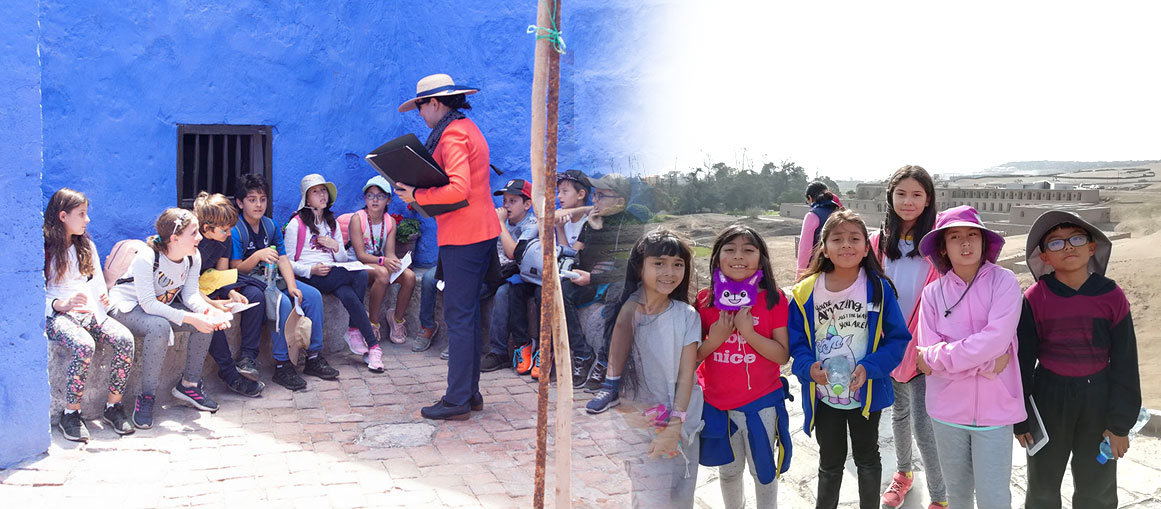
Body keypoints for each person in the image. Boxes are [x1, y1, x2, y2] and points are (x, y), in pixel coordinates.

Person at [1015, 210, 1140, 509]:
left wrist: (1120, 425)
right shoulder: (1035, 297)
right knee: (1042, 486)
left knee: (1097, 487)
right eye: (1056, 243)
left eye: (1076, 238)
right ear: (1044, 257)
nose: (1068, 247)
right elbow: (1022, 361)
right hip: (1048, 399)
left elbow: (1125, 361)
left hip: (1098, 397)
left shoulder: (1112, 296)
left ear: (1092, 247)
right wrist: (1021, 418)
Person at [395, 73, 501, 420]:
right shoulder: (467, 128)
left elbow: (457, 189)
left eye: (421, 107)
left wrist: (416, 195)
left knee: (458, 317)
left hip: (464, 236)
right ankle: (469, 394)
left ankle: (457, 399)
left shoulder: (452, 135)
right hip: (480, 232)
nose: (421, 114)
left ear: (435, 103)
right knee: (466, 316)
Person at [787, 209, 908, 509]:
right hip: (824, 397)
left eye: (855, 238)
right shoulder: (805, 293)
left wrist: (870, 368)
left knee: (867, 457)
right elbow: (797, 343)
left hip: (865, 395)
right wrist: (806, 368)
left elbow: (897, 340)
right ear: (824, 247)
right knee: (830, 461)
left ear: (867, 247)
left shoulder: (879, 289)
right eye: (837, 239)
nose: (846, 245)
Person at [915, 205, 1025, 509]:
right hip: (946, 412)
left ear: (983, 241)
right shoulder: (933, 294)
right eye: (955, 237)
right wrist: (989, 364)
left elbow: (996, 339)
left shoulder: (1003, 283)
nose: (965, 243)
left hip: (995, 411)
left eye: (972, 234)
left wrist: (943, 359)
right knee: (958, 495)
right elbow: (926, 356)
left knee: (994, 498)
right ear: (943, 247)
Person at [594, 229, 702, 507]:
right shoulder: (626, 314)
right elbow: (616, 383)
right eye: (659, 263)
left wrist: (675, 425)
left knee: (681, 495)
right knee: (649, 498)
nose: (670, 272)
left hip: (682, 422)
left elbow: (686, 374)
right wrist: (645, 422)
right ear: (639, 267)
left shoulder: (686, 315)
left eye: (678, 264)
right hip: (641, 427)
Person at [695, 225, 792, 509]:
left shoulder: (774, 299)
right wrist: (715, 339)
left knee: (763, 473)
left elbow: (781, 356)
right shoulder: (704, 301)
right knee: (728, 471)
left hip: (761, 406)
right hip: (717, 407)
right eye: (730, 249)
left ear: (761, 258)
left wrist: (749, 333)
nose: (739, 256)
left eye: (748, 250)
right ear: (717, 257)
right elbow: (693, 357)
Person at [108, 208, 232, 429]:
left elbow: (190, 295)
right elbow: (148, 303)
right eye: (194, 233)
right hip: (128, 307)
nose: (200, 238)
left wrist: (208, 312)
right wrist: (192, 317)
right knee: (160, 326)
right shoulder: (147, 257)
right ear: (175, 238)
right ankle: (146, 396)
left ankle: (189, 385)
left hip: (161, 305)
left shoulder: (193, 257)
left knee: (205, 323)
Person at [870, 166, 946, 509]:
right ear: (890, 197)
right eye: (901, 194)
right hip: (889, 342)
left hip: (924, 346)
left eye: (917, 194)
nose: (908, 201)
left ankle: (940, 496)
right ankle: (903, 474)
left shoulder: (937, 242)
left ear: (928, 199)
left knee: (924, 422)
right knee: (898, 412)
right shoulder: (877, 242)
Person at [44, 188, 136, 441]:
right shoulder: (45, 248)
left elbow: (94, 283)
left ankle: (113, 407)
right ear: (63, 216)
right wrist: (60, 304)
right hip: (58, 315)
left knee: (124, 339)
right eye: (81, 214)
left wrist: (101, 301)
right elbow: (35, 290)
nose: (87, 220)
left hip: (89, 312)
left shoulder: (86, 246)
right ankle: (71, 414)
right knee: (84, 345)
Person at [229, 173, 333, 391]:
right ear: (240, 203)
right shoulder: (236, 229)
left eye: (262, 199)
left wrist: (293, 285)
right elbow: (235, 268)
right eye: (251, 199)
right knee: (281, 304)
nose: (258, 204)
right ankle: (282, 365)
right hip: (252, 282)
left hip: (274, 277)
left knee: (312, 296)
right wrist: (257, 256)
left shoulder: (271, 226)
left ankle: (314, 356)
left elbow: (283, 258)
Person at [287, 173, 382, 373]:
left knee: (351, 286)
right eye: (315, 191)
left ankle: (372, 346)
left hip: (333, 273)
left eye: (324, 191)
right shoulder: (297, 224)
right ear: (306, 197)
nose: (321, 195)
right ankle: (357, 333)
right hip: (310, 276)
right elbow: (287, 262)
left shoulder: (332, 223)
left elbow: (342, 261)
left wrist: (335, 246)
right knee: (360, 275)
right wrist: (311, 269)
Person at [574, 173, 646, 396]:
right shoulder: (592, 221)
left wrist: (592, 279)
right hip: (593, 280)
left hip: (616, 280)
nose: (594, 200)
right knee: (557, 292)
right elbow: (581, 261)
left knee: (618, 293)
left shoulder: (633, 224)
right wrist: (594, 231)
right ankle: (582, 354)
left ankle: (604, 361)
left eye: (601, 195)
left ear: (620, 201)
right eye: (595, 195)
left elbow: (625, 269)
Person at [192, 192, 265, 398]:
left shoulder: (225, 239)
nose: (229, 233)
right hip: (189, 290)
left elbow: (221, 275)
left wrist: (231, 292)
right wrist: (213, 304)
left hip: (210, 283)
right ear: (206, 228)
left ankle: (247, 357)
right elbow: (185, 287)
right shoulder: (191, 243)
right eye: (224, 230)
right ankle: (229, 373)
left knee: (255, 293)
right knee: (210, 317)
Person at [346, 175, 417, 345]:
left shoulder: (390, 221)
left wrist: (396, 262)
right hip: (358, 266)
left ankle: (397, 319)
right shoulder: (358, 219)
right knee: (383, 273)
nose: (375, 200)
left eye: (380, 196)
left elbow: (390, 253)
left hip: (378, 263)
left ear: (388, 200)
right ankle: (373, 323)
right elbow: (361, 256)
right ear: (365, 198)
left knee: (409, 276)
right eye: (370, 195)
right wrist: (383, 261)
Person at [480, 179, 539, 373]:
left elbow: (514, 253)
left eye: (512, 201)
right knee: (469, 290)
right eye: (504, 201)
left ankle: (499, 352)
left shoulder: (532, 225)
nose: (505, 206)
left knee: (503, 294)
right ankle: (466, 342)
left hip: (519, 277)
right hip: (496, 273)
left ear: (527, 204)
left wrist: (499, 224)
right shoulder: (501, 222)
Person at [796, 181, 841, 275]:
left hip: (818, 270)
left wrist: (799, 275)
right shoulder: (840, 213)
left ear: (810, 198)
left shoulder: (812, 216)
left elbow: (804, 251)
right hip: (840, 269)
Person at [554, 169, 593, 250]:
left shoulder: (588, 222)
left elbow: (571, 258)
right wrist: (559, 227)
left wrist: (560, 229)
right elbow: (548, 217)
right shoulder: (561, 214)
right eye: (558, 192)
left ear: (580, 195)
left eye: (565, 191)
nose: (559, 196)